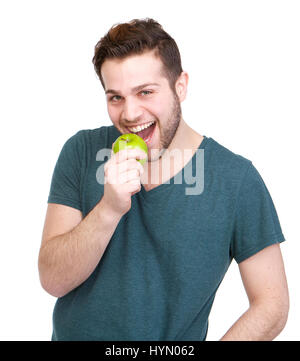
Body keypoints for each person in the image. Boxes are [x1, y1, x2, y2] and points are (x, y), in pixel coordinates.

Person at [38, 18, 289, 341]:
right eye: (115, 97)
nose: (129, 114)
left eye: (145, 92)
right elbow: (52, 279)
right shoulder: (81, 151)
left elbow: (272, 304)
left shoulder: (236, 180)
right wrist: (109, 209)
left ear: (180, 86)